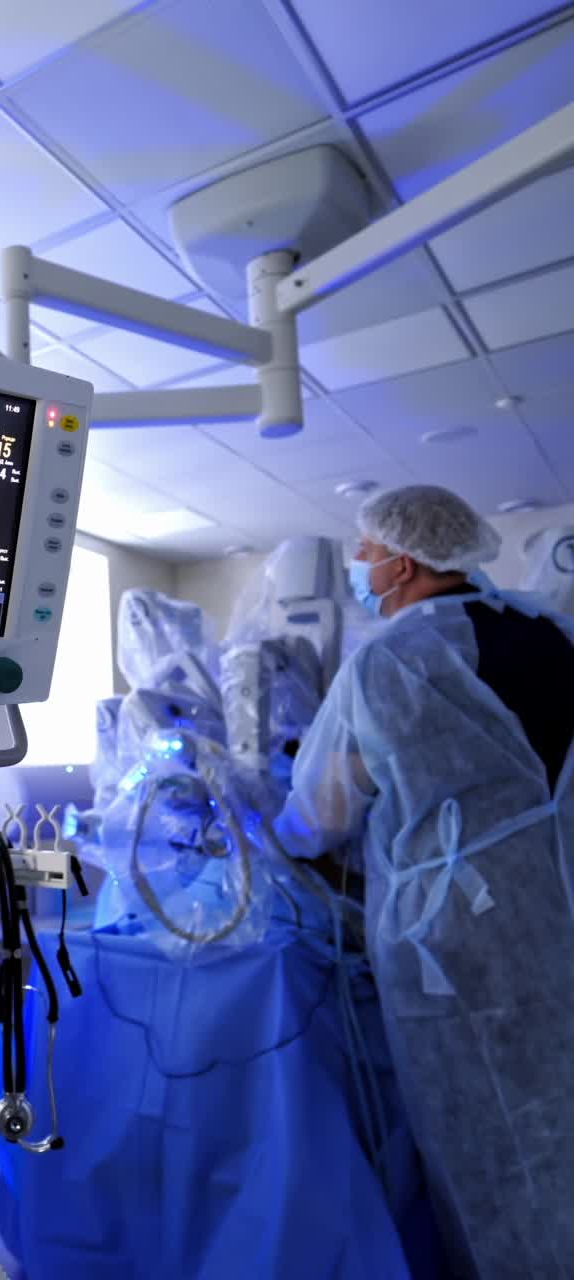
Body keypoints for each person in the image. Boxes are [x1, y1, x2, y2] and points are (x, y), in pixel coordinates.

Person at [272, 484, 574, 1280]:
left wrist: (274, 822)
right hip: (559, 919)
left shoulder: (392, 659)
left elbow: (319, 814)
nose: (360, 565)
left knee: (487, 1144)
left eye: (366, 552)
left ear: (402, 562)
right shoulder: (555, 634)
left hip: (452, 952)